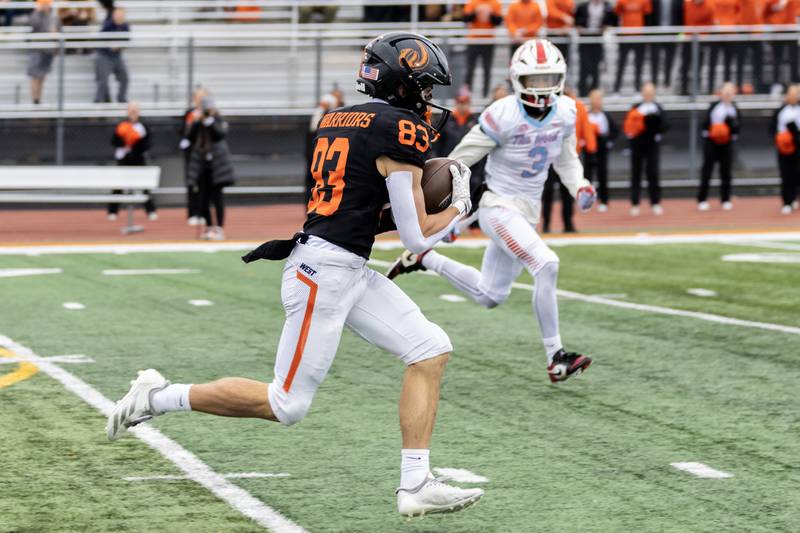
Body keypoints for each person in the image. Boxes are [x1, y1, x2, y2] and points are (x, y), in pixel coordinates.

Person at [107, 33, 485, 517]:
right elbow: (416, 239)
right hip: (324, 271)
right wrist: (457, 207)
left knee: (430, 350)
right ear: (403, 82)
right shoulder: (399, 128)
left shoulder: (339, 117)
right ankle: (157, 398)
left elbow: (360, 206)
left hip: (342, 263)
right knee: (287, 404)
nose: (429, 99)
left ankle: (415, 483)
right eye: (425, 87)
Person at [388, 39, 596, 384]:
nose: (543, 89)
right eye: (535, 80)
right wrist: (452, 208)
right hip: (499, 207)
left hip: (526, 212)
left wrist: (580, 186)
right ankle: (556, 357)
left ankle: (424, 258)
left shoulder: (567, 112)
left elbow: (566, 157)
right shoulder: (503, 114)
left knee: (490, 295)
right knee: (547, 264)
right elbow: (459, 159)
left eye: (549, 80)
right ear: (518, 79)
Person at [541, 86, 597, 233]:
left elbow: (585, 126)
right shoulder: (545, 106)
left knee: (569, 191)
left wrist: (591, 147)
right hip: (548, 156)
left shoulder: (576, 107)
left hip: (569, 154)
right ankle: (546, 223)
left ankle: (568, 222)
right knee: (547, 192)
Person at [185, 96, 235, 240]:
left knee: (217, 197)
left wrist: (209, 122)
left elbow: (220, 134)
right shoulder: (197, 121)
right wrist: (196, 122)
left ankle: (219, 228)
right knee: (203, 198)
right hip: (202, 164)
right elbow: (189, 136)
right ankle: (208, 227)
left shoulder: (218, 120)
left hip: (217, 165)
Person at [624, 82, 669, 215]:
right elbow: (628, 126)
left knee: (653, 172)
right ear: (642, 93)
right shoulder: (636, 107)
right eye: (646, 91)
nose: (648, 94)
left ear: (654, 93)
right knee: (636, 173)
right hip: (637, 144)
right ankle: (635, 203)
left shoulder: (658, 108)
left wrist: (655, 124)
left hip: (652, 144)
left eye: (651, 92)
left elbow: (665, 125)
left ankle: (655, 202)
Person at [107, 102, 156, 221]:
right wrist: (125, 141)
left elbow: (147, 143)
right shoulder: (122, 124)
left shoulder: (143, 126)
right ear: (127, 111)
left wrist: (136, 143)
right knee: (118, 185)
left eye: (135, 110)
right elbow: (114, 141)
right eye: (131, 110)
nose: (133, 113)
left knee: (144, 185)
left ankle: (150, 211)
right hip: (124, 159)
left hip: (138, 158)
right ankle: (113, 211)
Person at [698, 83, 739, 210]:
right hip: (712, 143)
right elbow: (704, 124)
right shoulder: (714, 106)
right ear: (720, 93)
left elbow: (738, 128)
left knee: (726, 171)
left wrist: (731, 127)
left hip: (726, 144)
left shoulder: (734, 108)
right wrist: (714, 132)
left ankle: (725, 199)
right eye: (725, 92)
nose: (727, 94)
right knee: (707, 170)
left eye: (730, 92)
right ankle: (702, 199)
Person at [306, 87, 345, 202]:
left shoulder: (344, 113)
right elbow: (313, 129)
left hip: (335, 155)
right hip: (317, 152)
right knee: (313, 179)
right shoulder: (320, 114)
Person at [575, 0, 617, 96]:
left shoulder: (607, 6)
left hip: (598, 39)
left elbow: (613, 20)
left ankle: (594, 93)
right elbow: (577, 20)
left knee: (596, 68)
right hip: (585, 40)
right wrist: (579, 27)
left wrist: (606, 26)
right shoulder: (583, 6)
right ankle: (583, 93)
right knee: (584, 67)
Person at [586, 88, 618, 211]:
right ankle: (586, 202)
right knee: (587, 177)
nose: (596, 101)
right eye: (594, 99)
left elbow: (615, 130)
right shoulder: (586, 116)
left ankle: (604, 201)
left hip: (602, 150)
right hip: (588, 150)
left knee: (602, 176)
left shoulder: (606, 116)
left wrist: (609, 142)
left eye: (598, 99)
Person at [180, 87, 208, 226]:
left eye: (203, 97)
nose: (200, 100)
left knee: (204, 184)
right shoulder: (189, 113)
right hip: (192, 153)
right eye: (198, 97)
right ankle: (192, 213)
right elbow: (183, 132)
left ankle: (203, 213)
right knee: (192, 184)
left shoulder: (209, 113)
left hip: (205, 154)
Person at [463, 0, 503, 98]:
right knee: (470, 69)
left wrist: (490, 14)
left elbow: (498, 21)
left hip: (488, 41)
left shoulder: (495, 3)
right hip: (474, 40)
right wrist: (476, 12)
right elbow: (466, 19)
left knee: (487, 70)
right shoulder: (472, 3)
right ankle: (467, 96)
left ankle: (485, 95)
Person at [772, 84, 800, 214]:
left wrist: (795, 134)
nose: (793, 97)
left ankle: (794, 197)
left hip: (798, 147)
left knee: (796, 174)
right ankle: (786, 201)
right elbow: (772, 129)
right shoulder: (780, 111)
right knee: (785, 174)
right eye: (791, 94)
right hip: (784, 148)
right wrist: (780, 139)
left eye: (796, 94)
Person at [614, 0, 651, 93]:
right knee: (621, 63)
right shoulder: (621, 1)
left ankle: (637, 87)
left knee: (639, 64)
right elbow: (616, 13)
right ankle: (617, 87)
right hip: (625, 36)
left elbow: (648, 15)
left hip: (639, 36)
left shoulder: (644, 1)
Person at [27, 0, 60, 105]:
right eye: (44, 4)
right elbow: (32, 25)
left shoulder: (53, 16)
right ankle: (34, 100)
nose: (46, 5)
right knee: (35, 76)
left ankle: (38, 99)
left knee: (42, 76)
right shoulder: (36, 15)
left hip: (48, 50)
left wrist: (55, 33)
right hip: (37, 50)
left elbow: (59, 30)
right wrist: (38, 11)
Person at [94, 7, 129, 103]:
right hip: (104, 55)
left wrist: (119, 46)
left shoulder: (125, 26)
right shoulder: (108, 25)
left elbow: (127, 41)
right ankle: (98, 101)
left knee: (124, 77)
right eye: (117, 15)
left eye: (121, 15)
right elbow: (100, 41)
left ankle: (121, 98)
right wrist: (110, 46)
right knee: (103, 81)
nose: (119, 17)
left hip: (116, 56)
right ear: (114, 15)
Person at [646, 0, 683, 88]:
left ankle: (667, 81)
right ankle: (654, 81)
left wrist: (678, 33)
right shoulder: (653, 1)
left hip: (671, 33)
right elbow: (649, 16)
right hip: (656, 33)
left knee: (670, 59)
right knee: (655, 59)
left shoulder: (678, 2)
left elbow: (680, 16)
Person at [680, 0, 714, 95]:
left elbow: (710, 23)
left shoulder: (709, 6)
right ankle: (684, 89)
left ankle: (696, 89)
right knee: (685, 66)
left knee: (698, 66)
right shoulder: (687, 5)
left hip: (701, 41)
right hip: (688, 39)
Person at [707, 0, 741, 95]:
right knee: (712, 62)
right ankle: (710, 88)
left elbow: (740, 9)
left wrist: (734, 22)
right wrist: (714, 20)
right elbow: (710, 9)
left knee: (728, 63)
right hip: (716, 32)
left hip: (730, 32)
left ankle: (727, 90)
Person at [764, 0, 798, 88]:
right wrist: (778, 5)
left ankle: (794, 83)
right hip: (777, 29)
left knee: (793, 58)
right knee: (777, 58)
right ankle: (776, 83)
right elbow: (768, 8)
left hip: (791, 28)